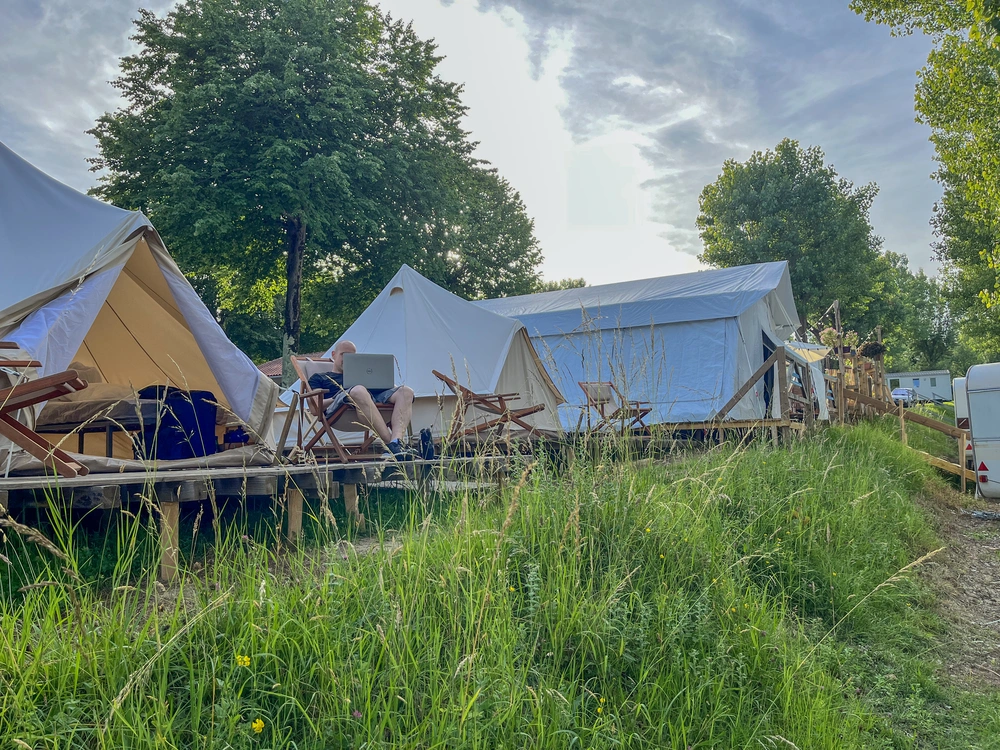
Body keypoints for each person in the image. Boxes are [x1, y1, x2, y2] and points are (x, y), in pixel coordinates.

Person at [307, 340, 416, 459]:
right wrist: (339, 397)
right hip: (340, 411)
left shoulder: (364, 375)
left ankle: (396, 442)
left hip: (371, 404)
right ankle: (392, 444)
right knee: (359, 390)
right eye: (343, 354)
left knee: (406, 391)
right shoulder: (319, 377)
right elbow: (314, 408)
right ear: (333, 354)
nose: (347, 358)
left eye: (351, 356)